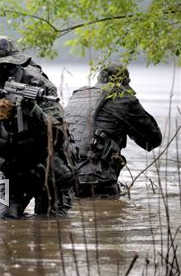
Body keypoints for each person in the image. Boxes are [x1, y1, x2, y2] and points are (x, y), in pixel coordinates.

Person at [0, 36, 76, 219]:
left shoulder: (40, 85)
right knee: (4, 222)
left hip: (51, 170)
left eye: (7, 67)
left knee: (51, 226)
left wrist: (34, 111)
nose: (2, 73)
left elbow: (59, 132)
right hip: (11, 173)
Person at [65, 61, 162, 197]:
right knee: (108, 215)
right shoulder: (123, 98)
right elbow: (153, 140)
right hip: (96, 178)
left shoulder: (77, 95)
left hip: (64, 174)